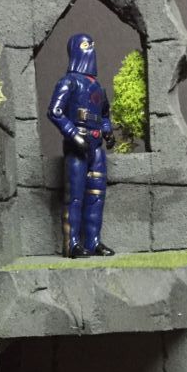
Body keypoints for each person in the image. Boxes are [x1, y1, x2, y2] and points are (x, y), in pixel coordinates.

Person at [47, 33, 116, 258]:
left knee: (96, 195)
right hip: (77, 147)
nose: (91, 49)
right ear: (76, 50)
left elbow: (104, 114)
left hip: (96, 147)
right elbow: (55, 112)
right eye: (86, 45)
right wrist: (74, 135)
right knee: (75, 196)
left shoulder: (98, 87)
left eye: (92, 45)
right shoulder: (69, 82)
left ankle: (93, 242)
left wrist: (107, 131)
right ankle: (72, 244)